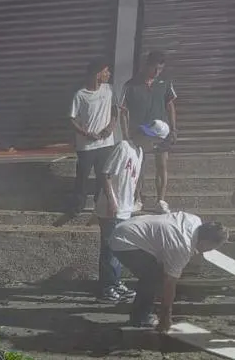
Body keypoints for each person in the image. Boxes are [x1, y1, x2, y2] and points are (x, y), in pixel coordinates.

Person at [109, 213, 226, 331]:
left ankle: (145, 311)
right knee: (152, 277)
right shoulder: (182, 246)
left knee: (157, 275)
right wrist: (166, 316)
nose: (209, 251)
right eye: (211, 247)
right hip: (125, 241)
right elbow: (169, 282)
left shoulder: (195, 220)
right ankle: (140, 318)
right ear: (205, 242)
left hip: (130, 227)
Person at [121, 51, 178, 212]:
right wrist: (126, 136)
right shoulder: (131, 85)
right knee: (139, 166)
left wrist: (173, 128)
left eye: (160, 69)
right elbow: (123, 112)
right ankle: (137, 198)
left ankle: (161, 200)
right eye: (155, 68)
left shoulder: (165, 82)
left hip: (161, 131)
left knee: (162, 165)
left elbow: (170, 106)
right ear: (147, 65)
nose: (157, 72)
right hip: (140, 132)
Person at [70, 58, 119, 214]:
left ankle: (99, 204)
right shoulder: (80, 95)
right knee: (82, 176)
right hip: (86, 145)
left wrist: (110, 127)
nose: (108, 74)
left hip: (106, 143)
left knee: (103, 176)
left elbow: (115, 111)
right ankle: (78, 206)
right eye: (106, 71)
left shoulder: (109, 89)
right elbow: (71, 119)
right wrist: (86, 133)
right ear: (98, 74)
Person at [96, 138, 142, 303]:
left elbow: (133, 179)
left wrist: (136, 197)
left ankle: (115, 282)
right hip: (112, 209)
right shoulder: (123, 147)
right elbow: (105, 174)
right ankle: (107, 287)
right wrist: (111, 200)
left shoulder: (139, 152)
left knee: (118, 249)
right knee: (110, 251)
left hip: (125, 209)